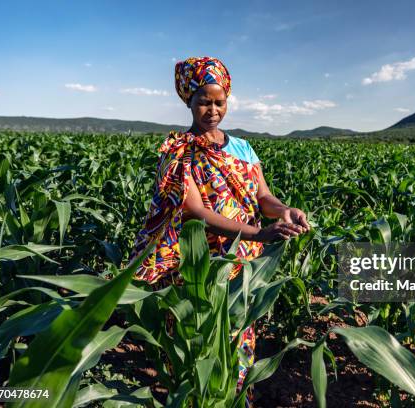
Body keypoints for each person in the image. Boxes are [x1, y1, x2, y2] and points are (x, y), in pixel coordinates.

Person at [128, 56, 310, 407]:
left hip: (242, 265)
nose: (212, 110)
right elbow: (196, 212)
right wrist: (258, 234)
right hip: (198, 262)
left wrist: (284, 210)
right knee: (195, 339)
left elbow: (263, 196)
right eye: (203, 101)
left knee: (238, 332)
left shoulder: (243, 148)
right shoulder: (178, 151)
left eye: (219, 101)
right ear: (189, 102)